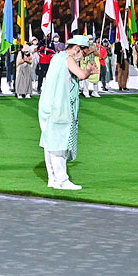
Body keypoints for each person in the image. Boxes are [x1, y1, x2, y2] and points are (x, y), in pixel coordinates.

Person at [38, 34, 94, 190]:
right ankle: (62, 180)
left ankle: (53, 179)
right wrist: (89, 70)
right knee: (58, 144)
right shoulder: (67, 59)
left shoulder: (56, 57)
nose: (82, 56)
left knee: (50, 143)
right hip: (59, 105)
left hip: (48, 104)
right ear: (77, 48)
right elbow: (81, 75)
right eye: (83, 52)